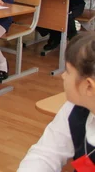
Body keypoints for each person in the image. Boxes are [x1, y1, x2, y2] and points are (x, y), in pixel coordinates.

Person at [18, 34, 95, 171]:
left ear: (88, 86)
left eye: (68, 72)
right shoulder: (74, 108)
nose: (63, 76)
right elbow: (46, 154)